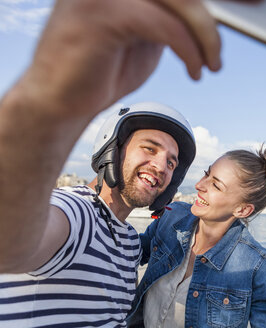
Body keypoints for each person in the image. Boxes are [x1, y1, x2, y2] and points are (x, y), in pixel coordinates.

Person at [0, 0, 222, 326]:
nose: (161, 166)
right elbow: (10, 243)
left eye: (172, 162)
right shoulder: (78, 213)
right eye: (149, 148)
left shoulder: (130, 242)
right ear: (111, 150)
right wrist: (50, 96)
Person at [126, 146, 266, 328]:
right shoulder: (172, 216)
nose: (199, 185)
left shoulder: (256, 263)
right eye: (206, 174)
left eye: (216, 185)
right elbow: (130, 250)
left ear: (242, 210)